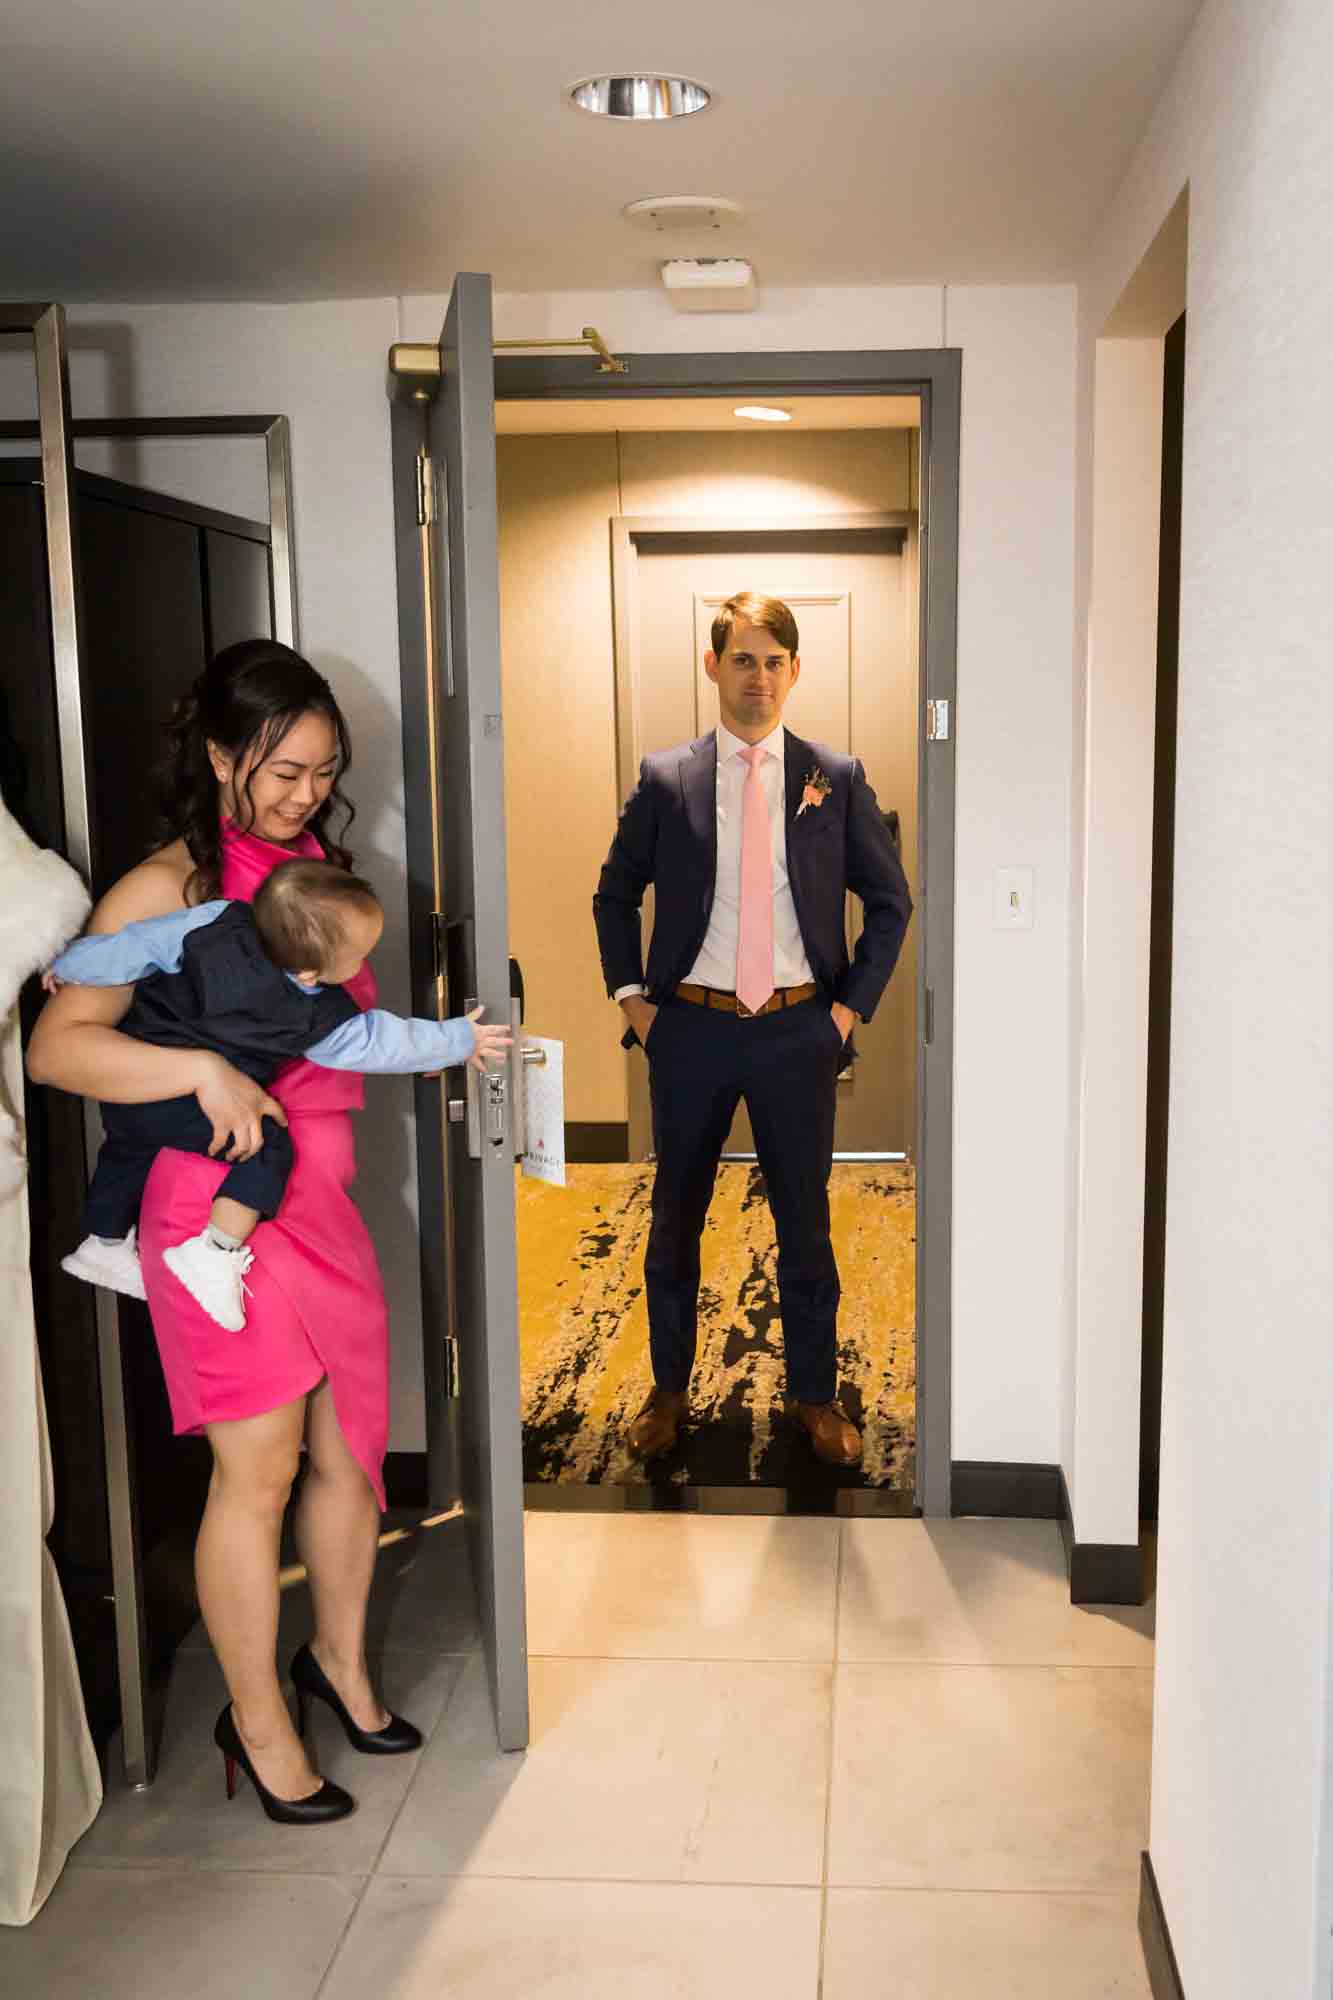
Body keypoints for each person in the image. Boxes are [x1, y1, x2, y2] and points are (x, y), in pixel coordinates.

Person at [26, 640, 427, 1825]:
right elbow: (58, 1048)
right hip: (217, 1215)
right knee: (253, 1474)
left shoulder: (320, 873)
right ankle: (256, 1726)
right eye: (282, 769)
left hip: (325, 1201)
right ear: (216, 754)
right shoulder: (168, 888)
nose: (306, 794)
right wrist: (198, 1062)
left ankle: (339, 1665)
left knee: (351, 1450)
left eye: (324, 769)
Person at [593, 592, 913, 1469]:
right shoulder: (667, 778)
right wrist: (633, 1001)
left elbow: (888, 901)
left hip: (795, 1032)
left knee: (804, 1223)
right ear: (713, 666)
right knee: (674, 1218)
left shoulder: (833, 778)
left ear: (795, 670)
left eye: (775, 660)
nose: (759, 676)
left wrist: (847, 1011)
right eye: (743, 658)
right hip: (687, 1032)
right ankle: (667, 1390)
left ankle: (813, 1395)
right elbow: (613, 894)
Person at [50, 857, 509, 1330]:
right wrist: (458, 1040)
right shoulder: (316, 1016)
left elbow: (137, 947)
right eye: (356, 959)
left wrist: (70, 965)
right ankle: (213, 1251)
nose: (361, 966)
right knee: (267, 1144)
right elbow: (382, 1043)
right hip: (184, 1098)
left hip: (132, 1073)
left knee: (127, 1149)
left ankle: (103, 1243)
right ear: (311, 975)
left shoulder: (217, 920)